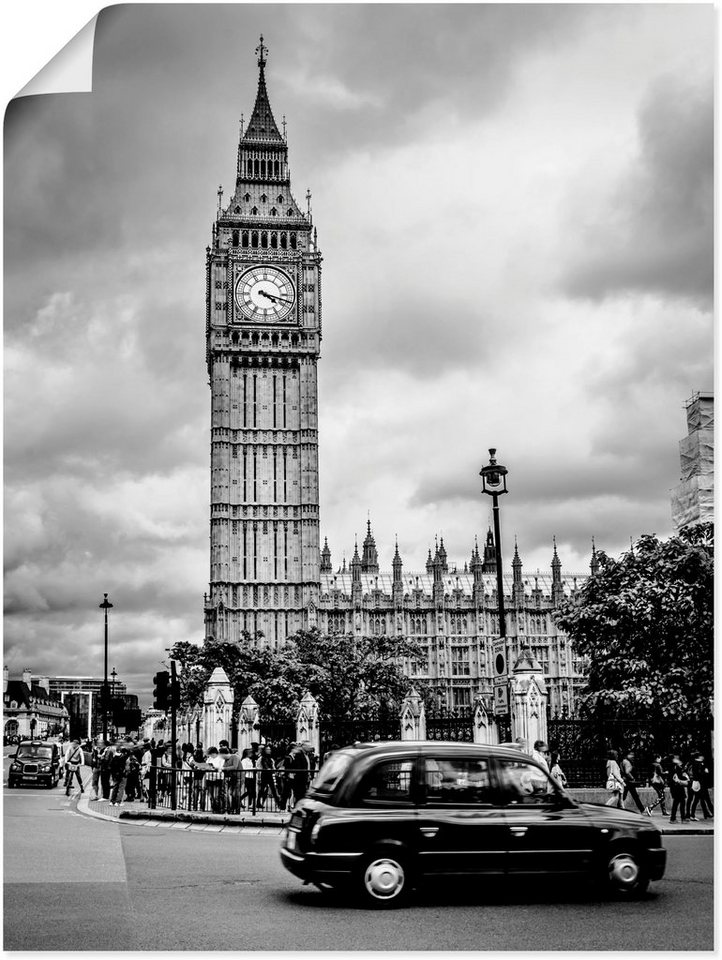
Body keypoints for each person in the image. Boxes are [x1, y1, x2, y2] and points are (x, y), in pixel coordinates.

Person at [687, 753, 713, 821]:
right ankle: (693, 815)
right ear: (699, 757)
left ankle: (694, 814)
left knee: (697, 800)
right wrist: (705, 772)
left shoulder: (692, 763)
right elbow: (699, 774)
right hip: (700, 784)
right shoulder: (699, 764)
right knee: (701, 799)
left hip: (695, 783)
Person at [257, 744, 281, 809]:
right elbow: (259, 767)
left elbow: (273, 767)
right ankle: (258, 803)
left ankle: (278, 803)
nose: (269, 751)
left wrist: (274, 770)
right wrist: (259, 777)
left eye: (270, 749)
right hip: (264, 774)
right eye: (267, 749)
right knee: (262, 790)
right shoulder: (261, 758)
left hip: (269, 774)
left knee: (273, 789)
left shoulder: (270, 758)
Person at [669, 755, 690, 823]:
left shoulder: (675, 767)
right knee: (681, 803)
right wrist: (685, 778)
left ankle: (673, 818)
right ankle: (681, 818)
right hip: (678, 788)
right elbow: (677, 778)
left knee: (677, 803)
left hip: (676, 788)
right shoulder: (676, 767)